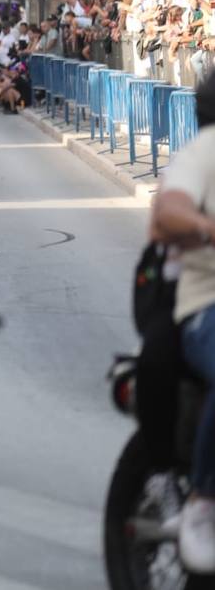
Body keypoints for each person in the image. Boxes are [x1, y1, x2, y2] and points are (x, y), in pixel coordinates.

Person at [149, 74, 215, 571]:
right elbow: (168, 211)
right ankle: (203, 504)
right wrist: (206, 227)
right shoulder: (205, 152)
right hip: (206, 307)